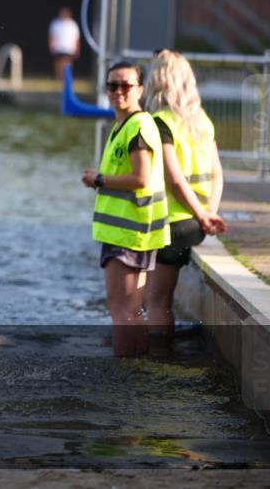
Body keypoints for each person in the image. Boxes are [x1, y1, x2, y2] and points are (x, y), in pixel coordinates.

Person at [81, 61, 169, 357]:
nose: (118, 91)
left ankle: (124, 380)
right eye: (112, 85)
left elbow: (140, 178)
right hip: (128, 231)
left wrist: (99, 179)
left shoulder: (139, 125)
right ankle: (139, 374)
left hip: (128, 232)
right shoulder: (124, 125)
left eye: (126, 85)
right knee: (131, 311)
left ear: (140, 90)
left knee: (121, 312)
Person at [143, 50, 227, 345]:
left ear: (157, 80)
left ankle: (157, 360)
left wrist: (202, 215)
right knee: (160, 300)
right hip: (195, 224)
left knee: (155, 303)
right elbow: (218, 174)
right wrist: (207, 214)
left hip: (172, 224)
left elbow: (174, 179)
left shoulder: (160, 121)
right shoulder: (203, 121)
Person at [48, 7, 80, 80]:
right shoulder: (55, 23)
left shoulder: (73, 24)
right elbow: (51, 36)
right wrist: (51, 46)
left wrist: (77, 49)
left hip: (69, 48)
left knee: (67, 62)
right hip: (59, 47)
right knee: (59, 62)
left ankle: (67, 77)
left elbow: (76, 38)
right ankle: (59, 77)